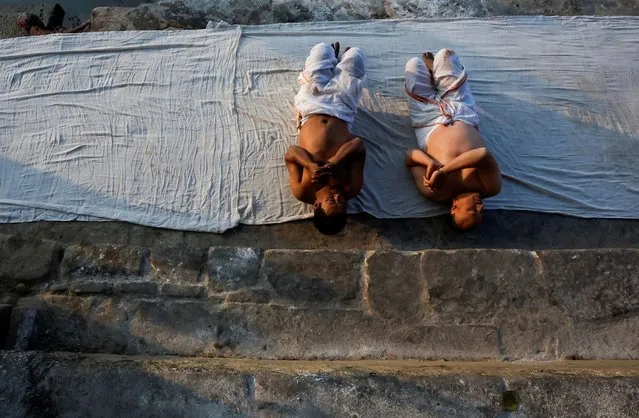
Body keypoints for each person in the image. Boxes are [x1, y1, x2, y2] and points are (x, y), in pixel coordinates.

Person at [404, 49, 501, 230]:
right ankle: (436, 72)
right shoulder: (489, 188)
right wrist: (442, 172)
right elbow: (482, 155)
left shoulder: (434, 192)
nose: (481, 207)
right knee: (446, 54)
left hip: (428, 121)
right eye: (482, 211)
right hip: (462, 113)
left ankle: (431, 75)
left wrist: (429, 164)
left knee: (413, 65)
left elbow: (409, 156)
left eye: (474, 211)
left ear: (454, 209)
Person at [285, 42, 367, 235]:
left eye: (331, 201)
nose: (338, 197)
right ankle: (340, 63)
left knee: (321, 49)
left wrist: (310, 165)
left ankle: (330, 61)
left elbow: (291, 152)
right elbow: (358, 145)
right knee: (356, 55)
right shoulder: (351, 187)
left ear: (315, 205)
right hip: (342, 108)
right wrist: (335, 162)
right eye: (342, 203)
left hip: (310, 108)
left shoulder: (302, 190)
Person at [17, 4, 90, 36]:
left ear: (37, 29)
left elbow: (68, 34)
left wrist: (86, 24)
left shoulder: (55, 33)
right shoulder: (52, 28)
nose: (27, 36)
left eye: (28, 33)